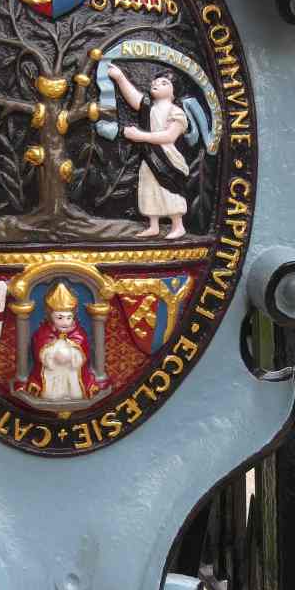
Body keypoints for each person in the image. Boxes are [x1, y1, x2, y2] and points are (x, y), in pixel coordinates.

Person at [107, 65, 189, 239]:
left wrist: (140, 136)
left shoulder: (176, 112)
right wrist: (120, 77)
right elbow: (133, 97)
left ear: (173, 92)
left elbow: (169, 136)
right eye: (156, 82)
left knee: (168, 188)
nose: (157, 84)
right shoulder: (149, 108)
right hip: (149, 157)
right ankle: (153, 225)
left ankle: (178, 225)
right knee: (149, 188)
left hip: (167, 158)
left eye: (164, 83)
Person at [15, 282, 108, 401]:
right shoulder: (43, 333)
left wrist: (74, 355)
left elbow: (84, 351)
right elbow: (39, 349)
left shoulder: (78, 334)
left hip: (71, 370)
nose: (65, 322)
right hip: (52, 371)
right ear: (51, 317)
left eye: (69, 318)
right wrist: (50, 355)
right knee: (51, 394)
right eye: (60, 318)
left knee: (75, 392)